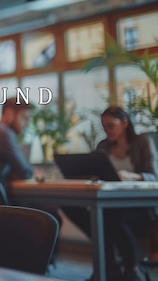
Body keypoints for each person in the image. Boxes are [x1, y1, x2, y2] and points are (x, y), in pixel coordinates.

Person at [63, 106, 158, 281]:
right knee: (71, 206)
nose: (107, 130)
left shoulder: (143, 142)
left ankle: (130, 269)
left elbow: (154, 175)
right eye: (104, 127)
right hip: (107, 203)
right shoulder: (103, 146)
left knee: (108, 218)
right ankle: (109, 268)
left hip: (138, 206)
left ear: (125, 123)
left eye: (111, 125)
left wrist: (131, 176)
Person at [0, 97, 35, 204]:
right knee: (51, 215)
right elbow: (25, 171)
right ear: (9, 113)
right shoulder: (3, 133)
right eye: (24, 118)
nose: (27, 123)